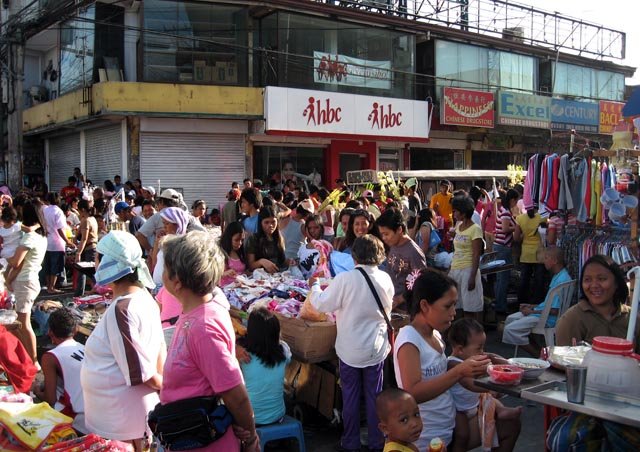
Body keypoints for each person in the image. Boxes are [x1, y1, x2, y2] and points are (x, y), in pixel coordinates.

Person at [160, 232, 260, 452]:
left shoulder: (203, 328)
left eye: (165, 268)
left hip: (205, 441)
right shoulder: (199, 311)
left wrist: (251, 437)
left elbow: (236, 394)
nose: (161, 273)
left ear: (177, 282)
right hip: (189, 435)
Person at [81, 231, 165, 448]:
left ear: (109, 263)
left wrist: (169, 391)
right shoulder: (144, 298)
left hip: (123, 423)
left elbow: (142, 371)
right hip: (124, 419)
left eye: (98, 258)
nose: (96, 263)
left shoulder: (123, 309)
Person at [310, 235, 393, 452]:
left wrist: (316, 285)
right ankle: (377, 442)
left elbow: (321, 305)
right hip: (375, 349)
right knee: (375, 398)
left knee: (351, 398)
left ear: (354, 256)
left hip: (349, 351)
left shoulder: (345, 279)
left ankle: (351, 442)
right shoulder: (385, 279)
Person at [393, 269, 490, 450]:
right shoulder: (409, 340)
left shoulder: (436, 335)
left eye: (455, 305)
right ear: (424, 306)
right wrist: (459, 371)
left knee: (508, 423)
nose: (454, 312)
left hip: (448, 427)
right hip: (425, 438)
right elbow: (413, 392)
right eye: (448, 306)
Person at [447, 319, 521, 452]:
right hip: (460, 410)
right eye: (479, 348)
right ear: (460, 350)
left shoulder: (473, 358)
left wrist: (493, 357)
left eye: (483, 347)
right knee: (462, 435)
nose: (482, 352)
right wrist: (499, 384)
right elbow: (472, 385)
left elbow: (500, 363)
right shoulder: (453, 364)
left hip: (476, 405)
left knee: (489, 398)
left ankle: (501, 410)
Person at [556, 255, 638, 348]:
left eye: (602, 279)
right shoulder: (571, 320)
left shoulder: (633, 318)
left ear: (617, 283)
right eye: (587, 280)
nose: (594, 285)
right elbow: (563, 360)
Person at [502, 247, 571, 356]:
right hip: (543, 314)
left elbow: (554, 310)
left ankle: (539, 355)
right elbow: (549, 304)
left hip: (547, 318)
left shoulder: (561, 280)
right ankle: (541, 351)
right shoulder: (560, 275)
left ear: (555, 261)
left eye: (546, 258)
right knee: (510, 319)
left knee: (510, 329)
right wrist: (532, 306)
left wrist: (532, 312)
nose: (544, 261)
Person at [5, 199, 47, 366]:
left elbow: (16, 262)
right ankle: (25, 358)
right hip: (28, 281)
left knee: (23, 322)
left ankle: (34, 361)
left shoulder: (29, 238)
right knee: (19, 322)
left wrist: (3, 255)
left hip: (25, 282)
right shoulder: (40, 235)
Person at [34, 308, 86, 433]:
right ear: (75, 330)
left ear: (50, 332)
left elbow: (50, 399)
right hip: (105, 415)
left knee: (39, 390)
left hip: (80, 420)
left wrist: (37, 391)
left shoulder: (51, 356)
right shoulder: (85, 347)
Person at [239, 308, 291, 425]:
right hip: (277, 415)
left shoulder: (243, 356)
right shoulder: (284, 350)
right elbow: (287, 361)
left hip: (250, 420)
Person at [376, 208, 426, 307]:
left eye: (386, 234)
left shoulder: (414, 252)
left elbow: (420, 282)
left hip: (406, 308)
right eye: (382, 234)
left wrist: (400, 299)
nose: (384, 238)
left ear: (399, 229)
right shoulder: (393, 245)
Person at [152, 207, 189, 327]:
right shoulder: (166, 242)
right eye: (164, 224)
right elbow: (155, 262)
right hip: (159, 289)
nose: (164, 227)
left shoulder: (181, 245)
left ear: (178, 224)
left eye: (167, 224)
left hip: (169, 290)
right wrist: (157, 243)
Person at [448, 196, 484, 321]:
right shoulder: (458, 227)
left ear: (463, 212)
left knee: (469, 309)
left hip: (468, 270)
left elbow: (476, 254)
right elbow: (457, 250)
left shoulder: (475, 230)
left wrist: (472, 277)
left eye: (455, 211)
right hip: (455, 270)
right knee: (456, 307)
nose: (454, 214)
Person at [514, 204, 547, 306]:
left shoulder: (520, 219)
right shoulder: (543, 218)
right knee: (539, 281)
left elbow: (516, 238)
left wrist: (523, 236)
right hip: (539, 253)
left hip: (526, 254)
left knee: (524, 280)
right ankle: (537, 303)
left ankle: (522, 302)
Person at [43, 192, 76, 294]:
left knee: (48, 266)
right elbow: (60, 229)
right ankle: (52, 287)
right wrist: (68, 241)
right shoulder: (58, 211)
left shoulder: (44, 210)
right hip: (56, 243)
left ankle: (49, 286)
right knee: (56, 266)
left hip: (46, 242)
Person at [493, 189, 519, 314]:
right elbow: (504, 228)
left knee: (500, 278)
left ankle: (499, 303)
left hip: (500, 246)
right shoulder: (506, 212)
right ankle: (501, 306)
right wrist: (517, 227)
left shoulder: (503, 210)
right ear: (512, 200)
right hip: (503, 247)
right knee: (503, 278)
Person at [376, 388, 423, 452]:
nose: (414, 424)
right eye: (404, 420)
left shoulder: (405, 443)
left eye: (416, 414)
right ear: (385, 428)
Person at [245, 206, 288, 273]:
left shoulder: (279, 238)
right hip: (260, 279)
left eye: (273, 222)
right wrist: (261, 262)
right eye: (266, 222)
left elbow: (282, 262)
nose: (270, 225)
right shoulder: (253, 239)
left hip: (278, 277)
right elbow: (250, 266)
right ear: (261, 223)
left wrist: (289, 262)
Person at [74, 199, 98, 296]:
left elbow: (84, 238)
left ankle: (96, 292)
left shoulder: (86, 221)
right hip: (92, 248)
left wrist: (78, 253)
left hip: (89, 249)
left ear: (83, 210)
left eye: (79, 210)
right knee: (86, 272)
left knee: (90, 273)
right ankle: (81, 293)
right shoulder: (92, 219)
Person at [297, 215, 333, 279]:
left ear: (321, 228)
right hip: (304, 285)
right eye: (309, 228)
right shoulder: (302, 248)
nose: (312, 231)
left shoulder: (326, 246)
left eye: (316, 227)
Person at [219, 221, 247, 287]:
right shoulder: (220, 253)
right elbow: (212, 275)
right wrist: (225, 273)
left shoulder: (240, 252)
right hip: (226, 288)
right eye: (236, 240)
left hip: (241, 287)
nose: (240, 243)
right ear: (229, 238)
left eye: (242, 240)